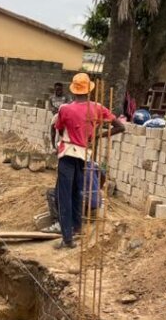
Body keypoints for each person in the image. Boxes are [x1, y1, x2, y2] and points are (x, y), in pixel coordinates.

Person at [51, 73, 124, 248]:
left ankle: (67, 238)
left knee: (64, 196)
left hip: (67, 155)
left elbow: (59, 129)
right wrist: (98, 136)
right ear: (89, 90)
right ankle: (77, 228)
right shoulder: (98, 108)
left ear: (73, 90)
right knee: (78, 192)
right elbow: (120, 126)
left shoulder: (65, 109)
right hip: (85, 155)